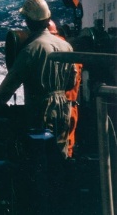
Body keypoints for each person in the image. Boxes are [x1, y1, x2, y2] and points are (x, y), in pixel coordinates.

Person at [0, 0, 75, 158]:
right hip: (63, 110)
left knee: (39, 157)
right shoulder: (66, 46)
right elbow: (71, 83)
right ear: (48, 18)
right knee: (59, 156)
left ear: (29, 21)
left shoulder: (30, 50)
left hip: (40, 111)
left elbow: (9, 85)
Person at [48, 20, 82, 158]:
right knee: (67, 147)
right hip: (71, 107)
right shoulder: (71, 51)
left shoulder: (52, 50)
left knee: (50, 149)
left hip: (56, 108)